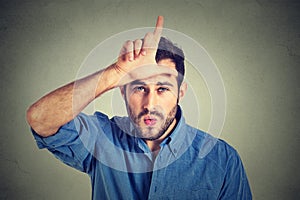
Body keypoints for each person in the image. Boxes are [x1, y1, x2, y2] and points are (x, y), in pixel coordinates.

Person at [26, 16, 252, 199]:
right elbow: (40, 118)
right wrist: (115, 73)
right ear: (122, 91)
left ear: (180, 93)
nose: (150, 104)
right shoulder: (102, 138)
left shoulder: (222, 160)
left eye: (162, 88)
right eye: (139, 88)